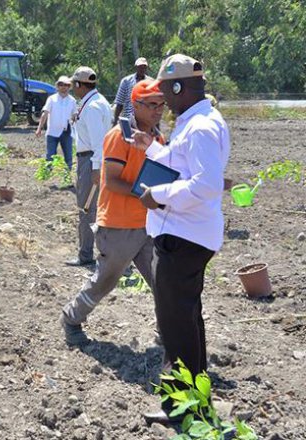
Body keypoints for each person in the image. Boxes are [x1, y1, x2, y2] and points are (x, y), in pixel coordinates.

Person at [131, 55, 230, 426]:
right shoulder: (196, 121)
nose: (163, 104)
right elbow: (181, 163)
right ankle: (196, 399)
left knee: (176, 327)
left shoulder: (201, 127)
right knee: (186, 321)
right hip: (186, 234)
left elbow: (204, 185)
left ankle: (181, 405)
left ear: (179, 87)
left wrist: (159, 194)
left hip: (184, 238)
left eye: (165, 95)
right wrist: (151, 149)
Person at [60, 80, 166, 346]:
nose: (159, 110)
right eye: (152, 104)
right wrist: (146, 195)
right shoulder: (120, 136)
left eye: (162, 104)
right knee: (106, 280)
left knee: (161, 280)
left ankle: (167, 330)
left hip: (148, 223)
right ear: (136, 105)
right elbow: (112, 180)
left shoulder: (157, 137)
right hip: (119, 224)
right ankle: (72, 318)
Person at [67, 66, 112, 267]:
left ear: (79, 85)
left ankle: (86, 255)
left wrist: (95, 167)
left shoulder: (93, 107)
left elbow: (97, 142)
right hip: (94, 159)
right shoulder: (97, 102)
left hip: (91, 160)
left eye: (73, 84)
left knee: (86, 208)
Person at [35, 76, 77, 169]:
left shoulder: (72, 100)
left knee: (68, 156)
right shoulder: (52, 99)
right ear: (57, 86)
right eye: (61, 84)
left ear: (69, 87)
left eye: (66, 85)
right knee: (50, 156)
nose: (64, 87)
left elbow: (75, 116)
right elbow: (44, 113)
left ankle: (67, 176)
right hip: (52, 132)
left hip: (66, 132)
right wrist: (39, 128)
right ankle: (48, 175)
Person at [113, 57, 152, 124]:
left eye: (144, 67)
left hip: (145, 121)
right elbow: (119, 103)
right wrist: (115, 121)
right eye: (140, 67)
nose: (142, 69)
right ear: (136, 67)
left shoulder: (151, 82)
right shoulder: (126, 81)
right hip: (128, 120)